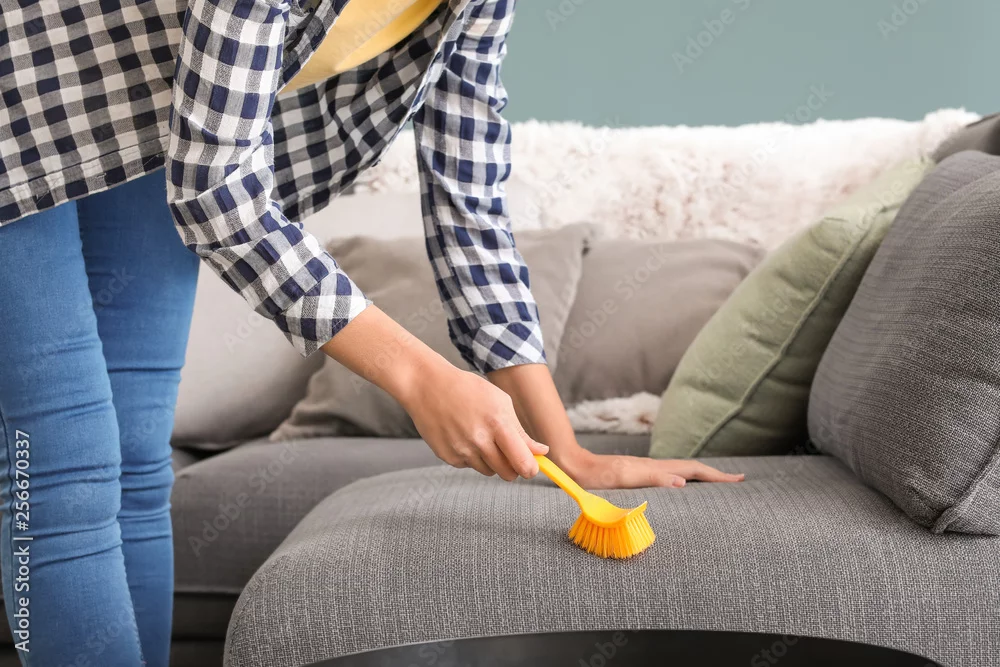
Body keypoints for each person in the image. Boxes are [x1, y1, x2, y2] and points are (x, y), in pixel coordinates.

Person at [0, 0, 744, 663]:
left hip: (137, 92)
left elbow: (468, 205)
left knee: (137, 459)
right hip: (15, 65)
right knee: (62, 465)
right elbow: (216, 191)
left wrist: (569, 451)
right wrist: (419, 378)